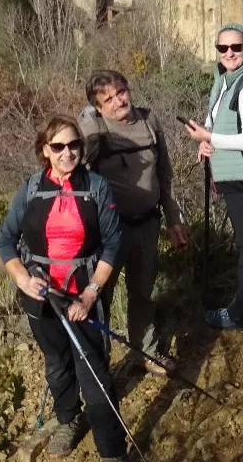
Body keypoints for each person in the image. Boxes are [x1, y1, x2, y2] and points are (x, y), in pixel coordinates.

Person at [0, 117, 129, 462]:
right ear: (45, 150)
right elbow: (6, 240)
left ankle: (112, 455)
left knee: (93, 372)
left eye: (73, 145)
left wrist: (90, 295)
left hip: (82, 296)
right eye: (58, 147)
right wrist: (23, 279)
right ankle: (67, 420)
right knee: (57, 364)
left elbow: (112, 245)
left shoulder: (97, 188)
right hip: (41, 298)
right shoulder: (31, 189)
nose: (67, 152)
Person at [80, 70, 187, 374]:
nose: (118, 101)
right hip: (109, 231)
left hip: (147, 223)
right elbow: (74, 167)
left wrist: (173, 219)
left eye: (121, 92)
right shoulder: (95, 129)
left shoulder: (149, 121)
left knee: (144, 291)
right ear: (98, 107)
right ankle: (98, 363)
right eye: (108, 99)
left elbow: (164, 175)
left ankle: (146, 352)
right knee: (100, 294)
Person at [184, 25, 243, 331]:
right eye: (223, 48)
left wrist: (210, 136)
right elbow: (217, 120)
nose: (229, 53)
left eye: (236, 47)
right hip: (230, 174)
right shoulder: (224, 79)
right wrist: (207, 141)